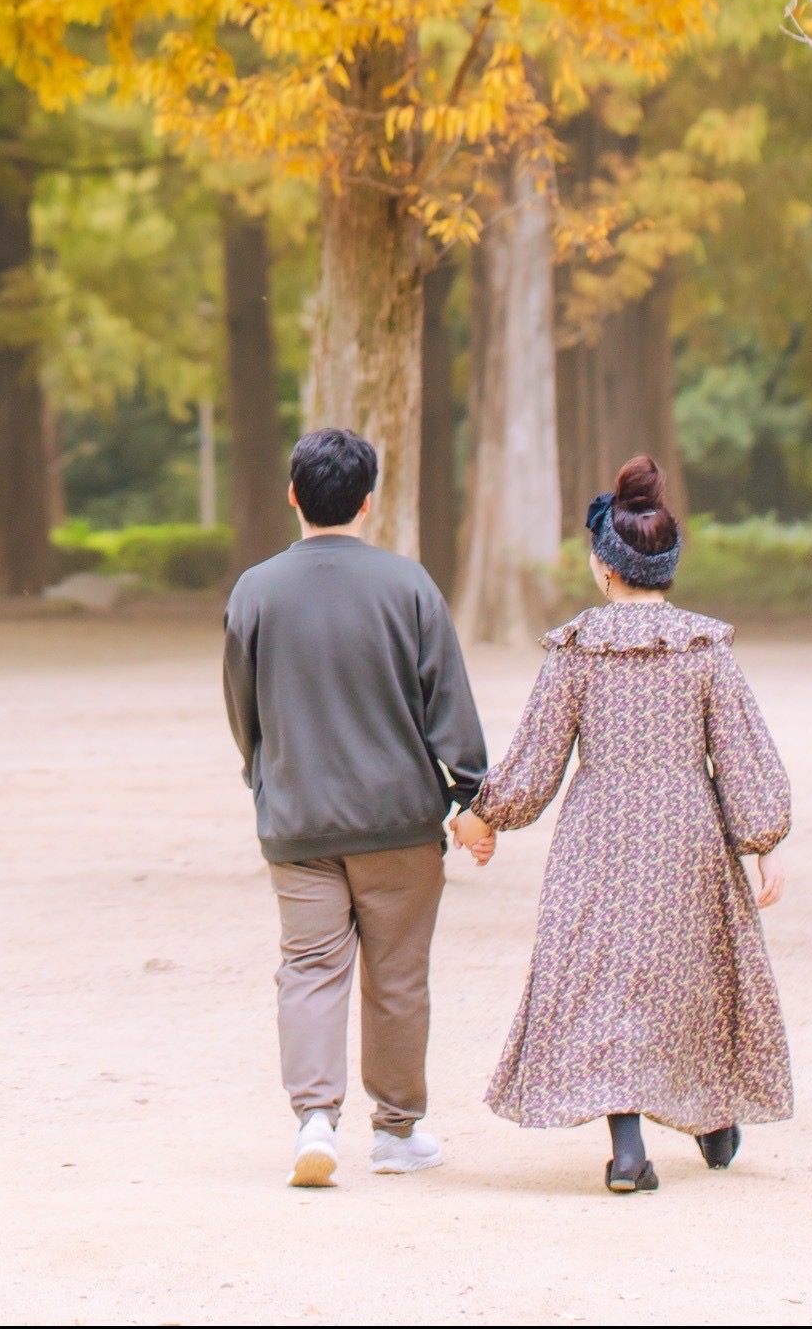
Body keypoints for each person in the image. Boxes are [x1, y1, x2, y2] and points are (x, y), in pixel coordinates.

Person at [452, 453, 792, 1193]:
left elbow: (536, 759)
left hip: (598, 833)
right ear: (665, 567)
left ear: (606, 568)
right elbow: (739, 745)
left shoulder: (577, 648)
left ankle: (630, 1149)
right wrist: (762, 840)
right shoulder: (704, 646)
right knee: (690, 974)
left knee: (607, 981)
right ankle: (710, 1117)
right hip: (685, 829)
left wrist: (484, 817)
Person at [223, 425, 490, 1189]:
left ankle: (314, 1118)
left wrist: (263, 777)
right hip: (399, 820)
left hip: (299, 817)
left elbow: (243, 707)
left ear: (293, 495)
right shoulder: (408, 586)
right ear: (369, 500)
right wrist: (470, 793)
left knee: (308, 966)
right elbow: (450, 705)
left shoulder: (255, 590)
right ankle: (398, 1129)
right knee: (398, 974)